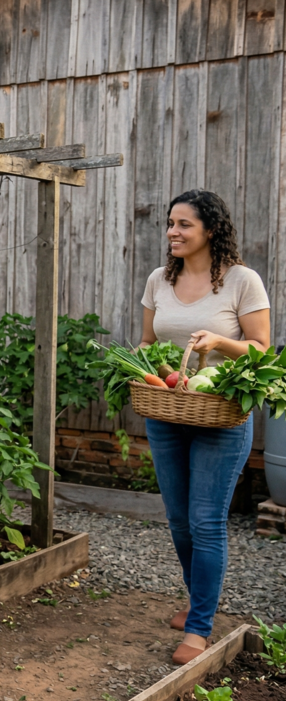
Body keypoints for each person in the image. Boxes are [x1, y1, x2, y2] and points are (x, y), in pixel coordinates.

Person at [139, 189, 271, 665]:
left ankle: (199, 626)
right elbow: (149, 342)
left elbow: (262, 349)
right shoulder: (159, 280)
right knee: (177, 520)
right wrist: (145, 369)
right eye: (170, 224)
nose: (172, 232)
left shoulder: (242, 281)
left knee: (206, 521)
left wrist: (219, 340)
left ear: (210, 230)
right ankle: (199, 602)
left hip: (221, 417)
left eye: (183, 225)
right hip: (168, 414)